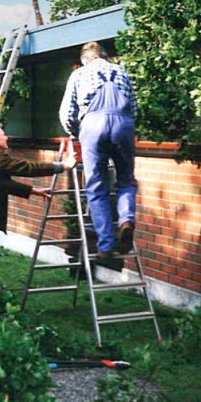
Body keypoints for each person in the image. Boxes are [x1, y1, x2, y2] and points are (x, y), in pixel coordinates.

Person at [0, 123, 76, 305]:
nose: (7, 138)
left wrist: (32, 191)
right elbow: (28, 167)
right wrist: (62, 166)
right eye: (3, 136)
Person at [58, 41, 138, 266]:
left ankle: (106, 244)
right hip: (123, 124)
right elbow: (133, 107)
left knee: (96, 186)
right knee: (126, 180)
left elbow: (67, 113)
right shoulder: (121, 71)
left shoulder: (79, 74)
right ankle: (126, 220)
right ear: (104, 56)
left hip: (92, 126)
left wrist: (77, 134)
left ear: (85, 59)